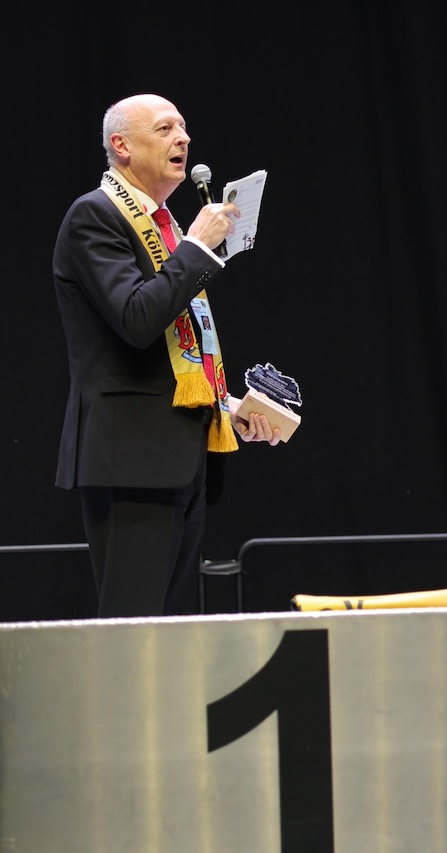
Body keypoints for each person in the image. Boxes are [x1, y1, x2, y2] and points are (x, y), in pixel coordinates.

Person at [53, 94, 280, 619]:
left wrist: (228, 407)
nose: (183, 138)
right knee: (131, 628)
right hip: (131, 460)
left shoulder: (164, 226)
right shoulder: (96, 215)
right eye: (164, 129)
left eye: (183, 127)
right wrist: (196, 248)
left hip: (182, 458)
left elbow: (180, 350)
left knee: (165, 632)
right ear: (122, 146)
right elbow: (137, 320)